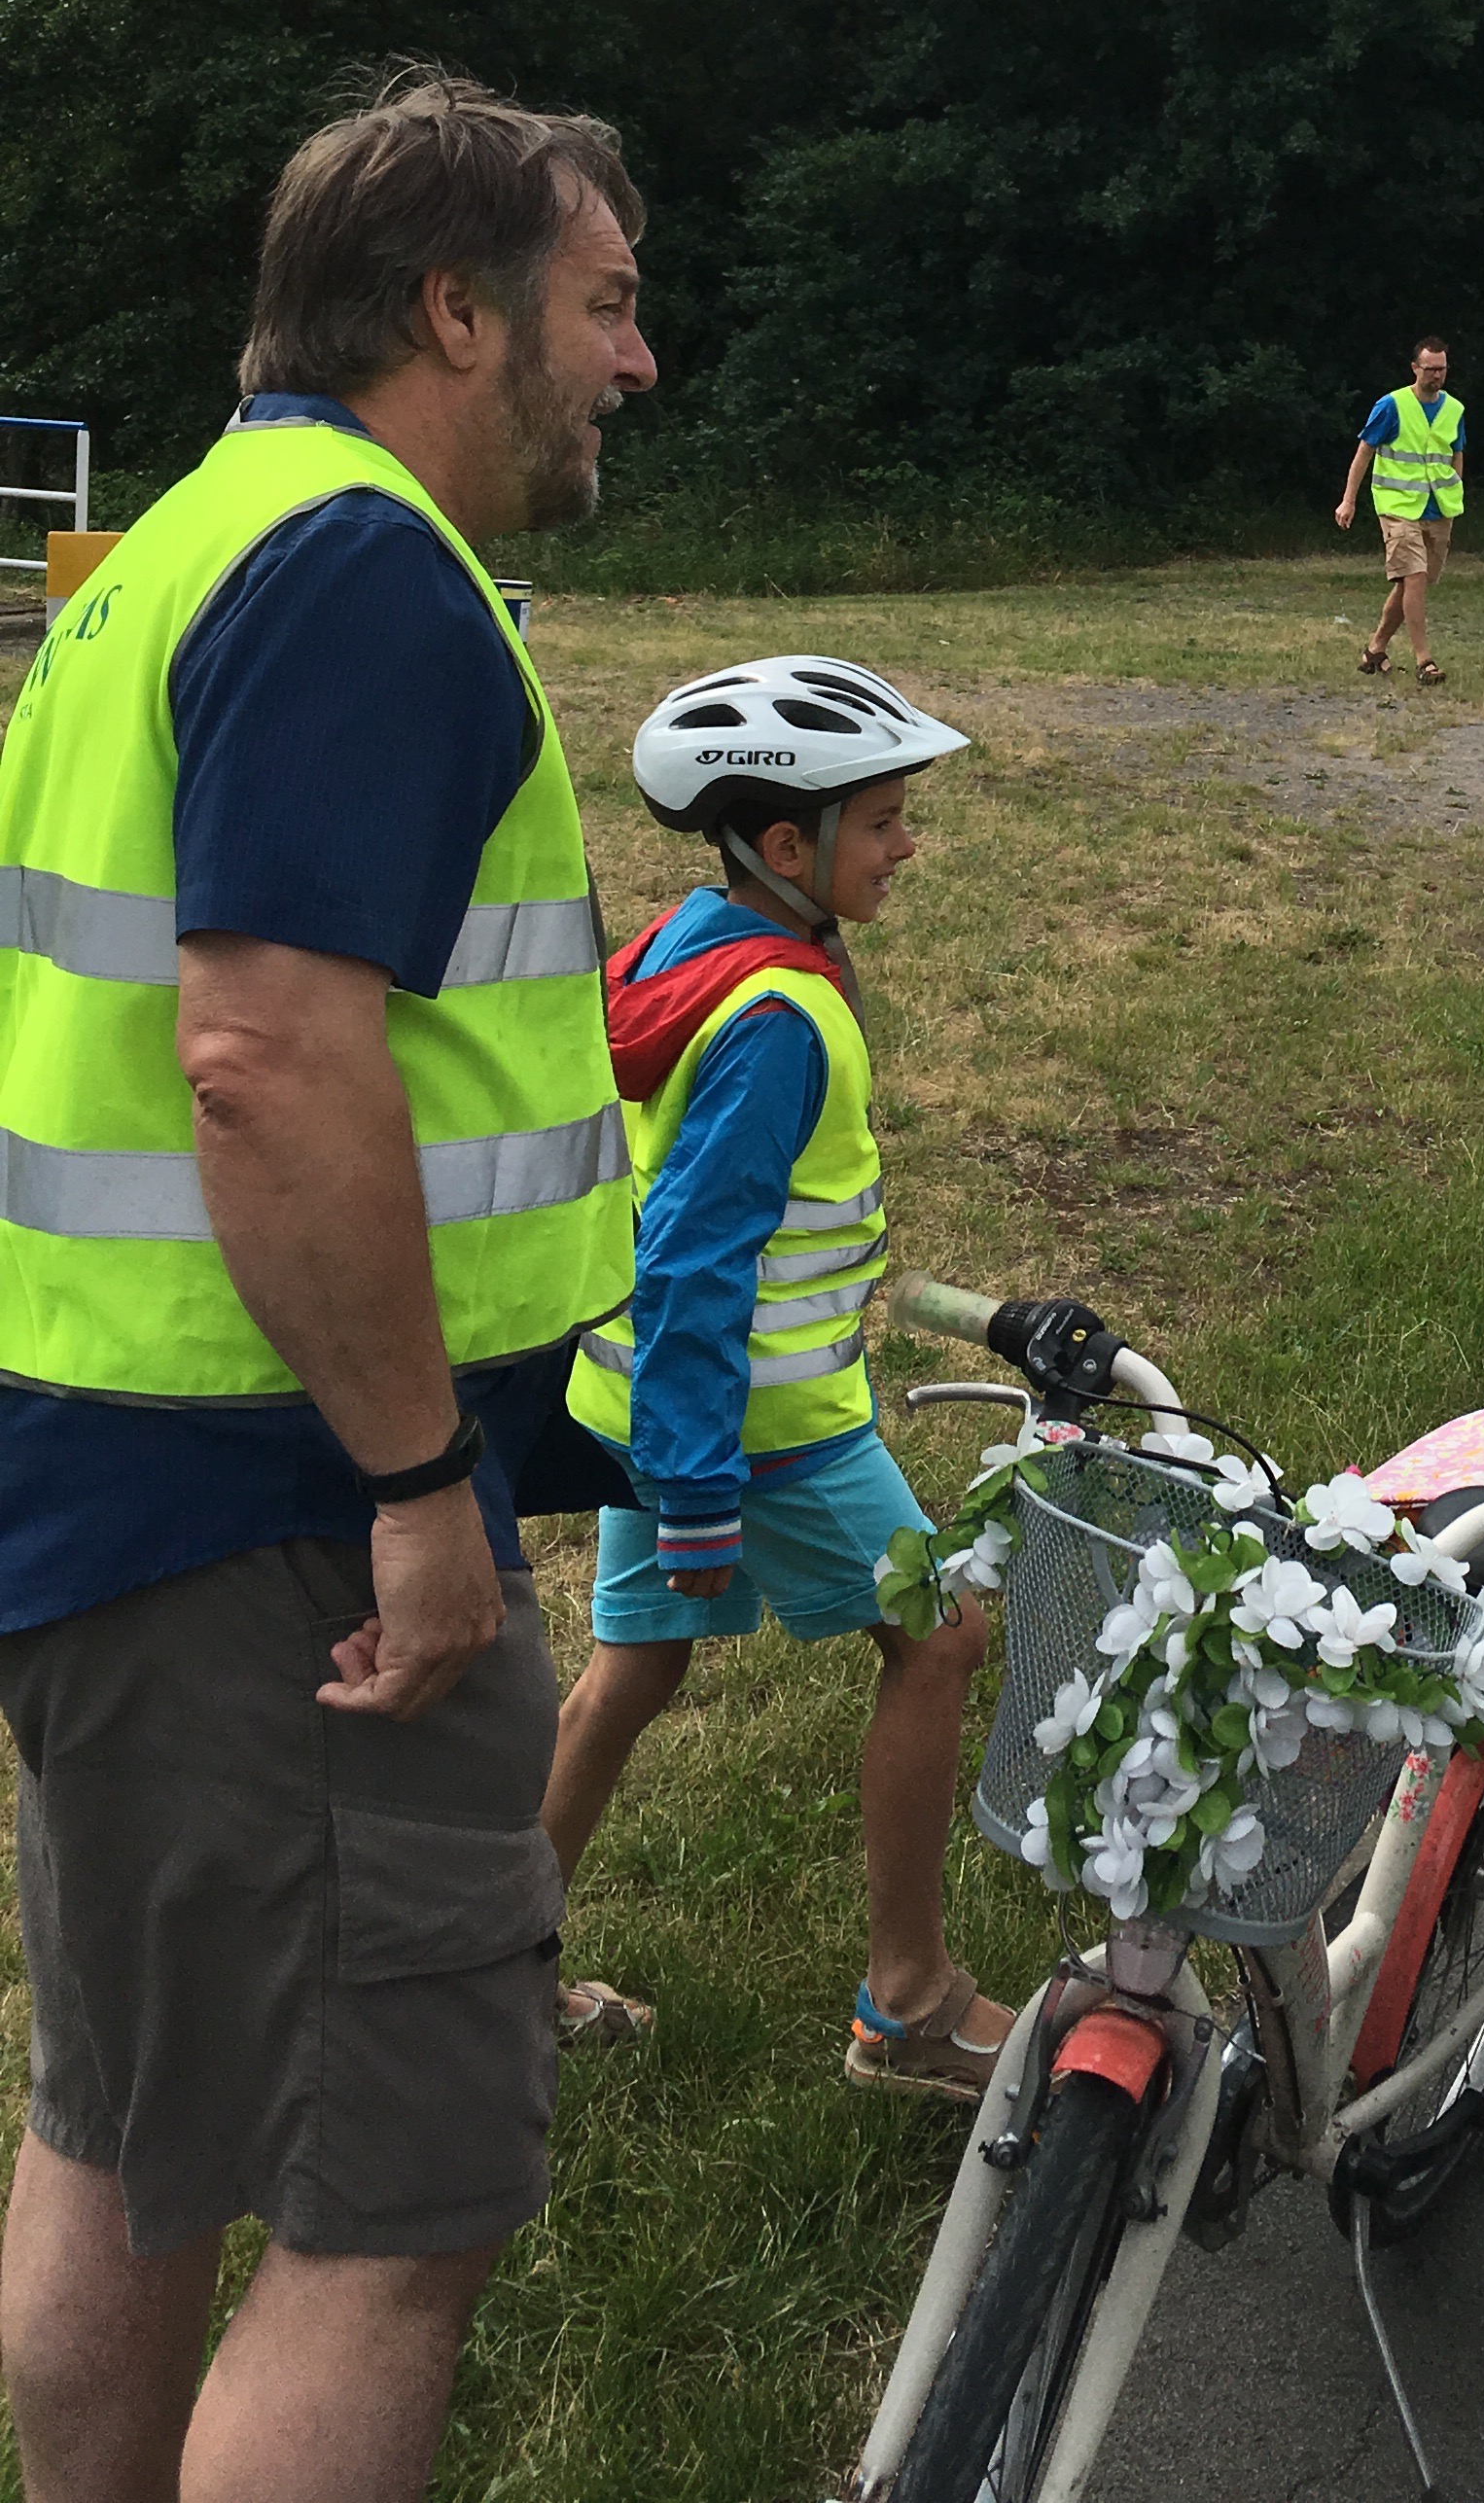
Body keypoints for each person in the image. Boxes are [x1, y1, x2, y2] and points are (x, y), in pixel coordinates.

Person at [0, 70, 653, 2503]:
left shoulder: (163, 553)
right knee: (393, 2211)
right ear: (456, 310)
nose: (636, 364)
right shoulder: (370, 566)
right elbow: (265, 1055)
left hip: (105, 1473)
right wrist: (413, 1486)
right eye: (605, 307)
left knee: (131, 2127)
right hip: (286, 1525)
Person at [544, 660, 1008, 2094]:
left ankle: (480, 1975)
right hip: (755, 1429)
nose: (909, 846)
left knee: (632, 1665)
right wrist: (693, 1487)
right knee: (938, 1640)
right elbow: (692, 1260)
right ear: (785, 848)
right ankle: (910, 2004)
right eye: (882, 823)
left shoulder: (690, 945)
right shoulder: (774, 1026)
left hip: (660, 1411)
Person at [1337, 337, 1465, 686]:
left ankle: (1375, 650)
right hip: (1397, 507)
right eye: (1430, 369)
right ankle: (1425, 660)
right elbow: (1364, 451)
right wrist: (1348, 500)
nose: (1437, 375)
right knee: (1415, 578)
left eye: (1442, 369)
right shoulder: (1391, 405)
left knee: (1412, 583)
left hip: (1438, 507)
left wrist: (1455, 484)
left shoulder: (1454, 409)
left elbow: (1456, 451)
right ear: (1415, 369)